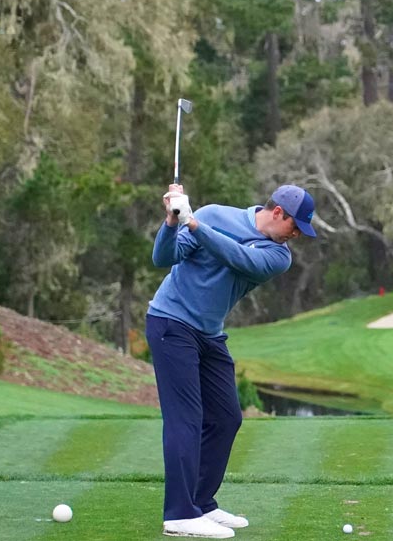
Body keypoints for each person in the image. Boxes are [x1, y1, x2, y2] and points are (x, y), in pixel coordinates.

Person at [147, 183, 316, 539]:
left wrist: (193, 224)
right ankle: (179, 513)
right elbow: (163, 259)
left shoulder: (278, 256)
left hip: (208, 333)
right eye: (296, 226)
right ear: (277, 213)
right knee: (186, 419)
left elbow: (240, 258)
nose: (298, 234)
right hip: (171, 322)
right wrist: (171, 222)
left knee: (226, 418)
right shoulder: (213, 214)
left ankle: (201, 502)